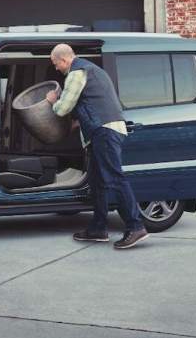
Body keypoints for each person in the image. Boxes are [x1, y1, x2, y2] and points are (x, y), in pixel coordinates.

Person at [45, 44, 148, 249]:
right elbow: (89, 102)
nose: (56, 68)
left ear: (64, 60)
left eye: (56, 64)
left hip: (105, 130)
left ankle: (135, 226)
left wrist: (52, 101)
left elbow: (63, 108)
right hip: (102, 131)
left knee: (114, 177)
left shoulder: (76, 72)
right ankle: (98, 229)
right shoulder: (93, 70)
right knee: (98, 181)